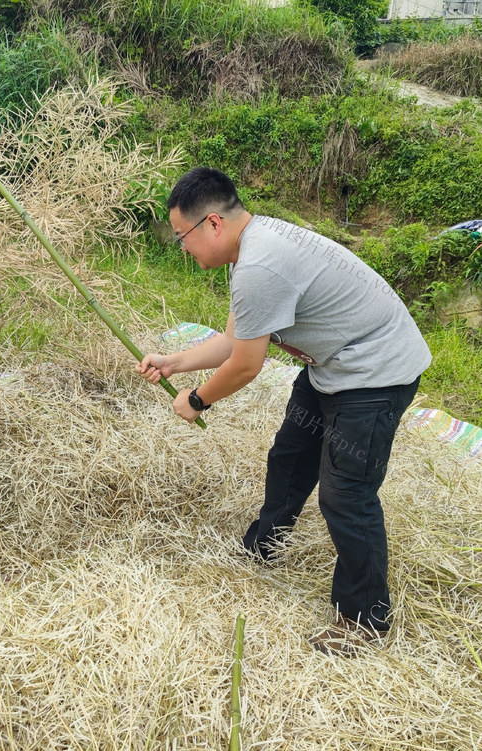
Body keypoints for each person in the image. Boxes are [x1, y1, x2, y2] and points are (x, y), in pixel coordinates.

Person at [136, 167, 431, 655]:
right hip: (335, 365)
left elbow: (247, 366)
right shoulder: (249, 250)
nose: (183, 249)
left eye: (182, 237)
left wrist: (196, 399)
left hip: (376, 372)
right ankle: (265, 544)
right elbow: (233, 340)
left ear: (212, 224)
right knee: (290, 456)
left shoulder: (259, 268)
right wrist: (176, 363)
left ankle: (365, 619)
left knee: (347, 495)